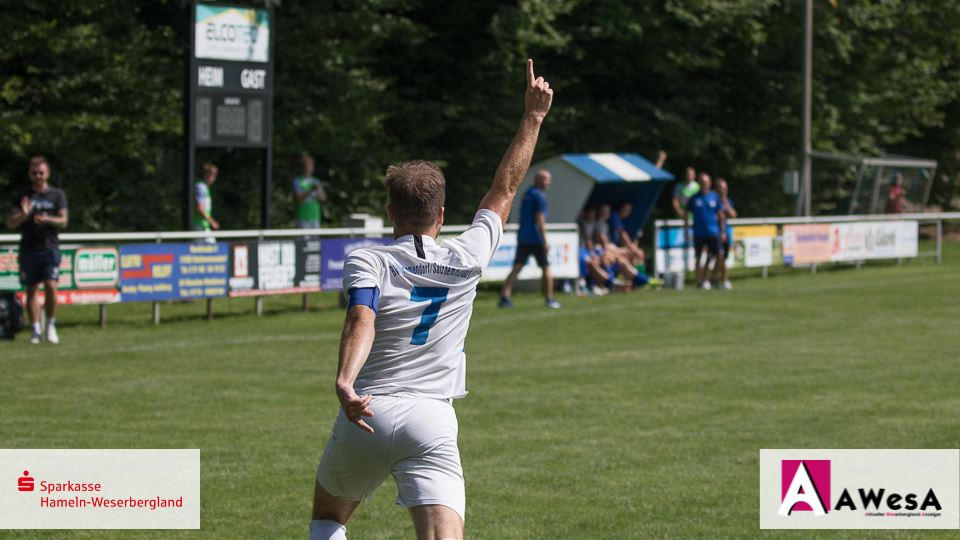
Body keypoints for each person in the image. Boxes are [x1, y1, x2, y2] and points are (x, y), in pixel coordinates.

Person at [309, 59, 553, 540]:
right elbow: (504, 189)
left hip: (367, 410)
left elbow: (362, 317)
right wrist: (533, 118)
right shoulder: (467, 256)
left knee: (329, 519)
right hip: (431, 418)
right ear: (441, 213)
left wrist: (344, 382)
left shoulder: (368, 259)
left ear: (389, 212)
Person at [5, 156, 68, 344]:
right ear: (29, 174)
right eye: (34, 172)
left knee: (51, 285)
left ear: (47, 173)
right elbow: (10, 223)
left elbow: (64, 221)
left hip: (50, 247)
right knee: (31, 289)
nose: (38, 176)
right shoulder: (24, 196)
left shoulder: (57, 195)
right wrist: (24, 214)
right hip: (29, 248)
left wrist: (48, 219)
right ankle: (35, 329)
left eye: (41, 172)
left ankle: (50, 325)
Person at [498, 168, 559, 309]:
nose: (549, 183)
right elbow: (540, 220)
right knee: (546, 268)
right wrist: (545, 241)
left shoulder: (527, 194)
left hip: (523, 237)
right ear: (538, 180)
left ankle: (504, 297)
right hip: (536, 239)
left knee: (517, 268)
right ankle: (550, 299)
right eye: (546, 179)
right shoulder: (539, 196)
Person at [686, 172, 725, 289]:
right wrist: (686, 230)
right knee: (698, 258)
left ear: (709, 183)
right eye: (702, 182)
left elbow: (720, 215)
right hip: (699, 233)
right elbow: (686, 215)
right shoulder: (693, 198)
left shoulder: (715, 196)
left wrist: (722, 231)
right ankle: (699, 281)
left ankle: (712, 278)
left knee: (720, 256)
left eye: (706, 182)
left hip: (714, 232)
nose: (704, 184)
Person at [294, 154, 328, 229]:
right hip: (302, 217)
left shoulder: (316, 181)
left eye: (310, 166)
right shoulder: (298, 181)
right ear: (302, 167)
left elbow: (323, 199)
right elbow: (299, 199)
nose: (308, 168)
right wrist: (311, 190)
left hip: (315, 217)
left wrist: (318, 191)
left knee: (315, 241)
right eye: (306, 166)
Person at [714, 178, 737, 290]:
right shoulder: (712, 200)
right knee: (720, 257)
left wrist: (725, 204)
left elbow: (733, 214)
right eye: (721, 188)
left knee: (723, 258)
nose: (723, 191)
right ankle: (724, 280)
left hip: (726, 232)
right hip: (714, 233)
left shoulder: (728, 201)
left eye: (725, 188)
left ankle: (714, 279)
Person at [194, 163, 220, 241]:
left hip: (204, 225)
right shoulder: (201, 187)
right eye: (210, 175)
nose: (212, 178)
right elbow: (200, 208)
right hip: (198, 225)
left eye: (214, 176)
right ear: (205, 175)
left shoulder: (206, 188)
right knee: (213, 248)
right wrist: (212, 221)